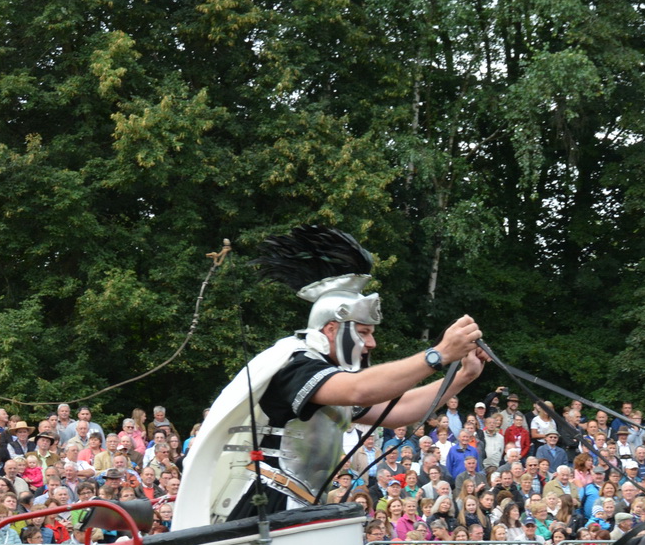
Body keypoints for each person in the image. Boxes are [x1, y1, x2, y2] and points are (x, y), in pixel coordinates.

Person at [174, 225, 489, 528]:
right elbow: (359, 391)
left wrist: (460, 377)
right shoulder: (296, 365)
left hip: (298, 505)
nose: (371, 344)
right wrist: (439, 354)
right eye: (363, 332)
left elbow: (398, 411)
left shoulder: (331, 377)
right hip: (266, 503)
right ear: (331, 329)